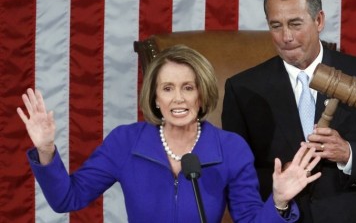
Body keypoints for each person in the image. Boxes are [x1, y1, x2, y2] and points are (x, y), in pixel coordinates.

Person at [17, 44, 322, 223]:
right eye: (167, 88)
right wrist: (46, 150)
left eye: (188, 88)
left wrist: (279, 201)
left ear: (201, 96)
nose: (178, 99)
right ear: (155, 98)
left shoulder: (231, 148)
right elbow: (67, 198)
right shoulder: (126, 141)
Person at [221, 0, 356, 223]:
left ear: (319, 20)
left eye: (295, 24)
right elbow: (236, 174)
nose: (286, 37)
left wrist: (348, 154)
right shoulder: (243, 88)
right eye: (276, 25)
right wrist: (280, 179)